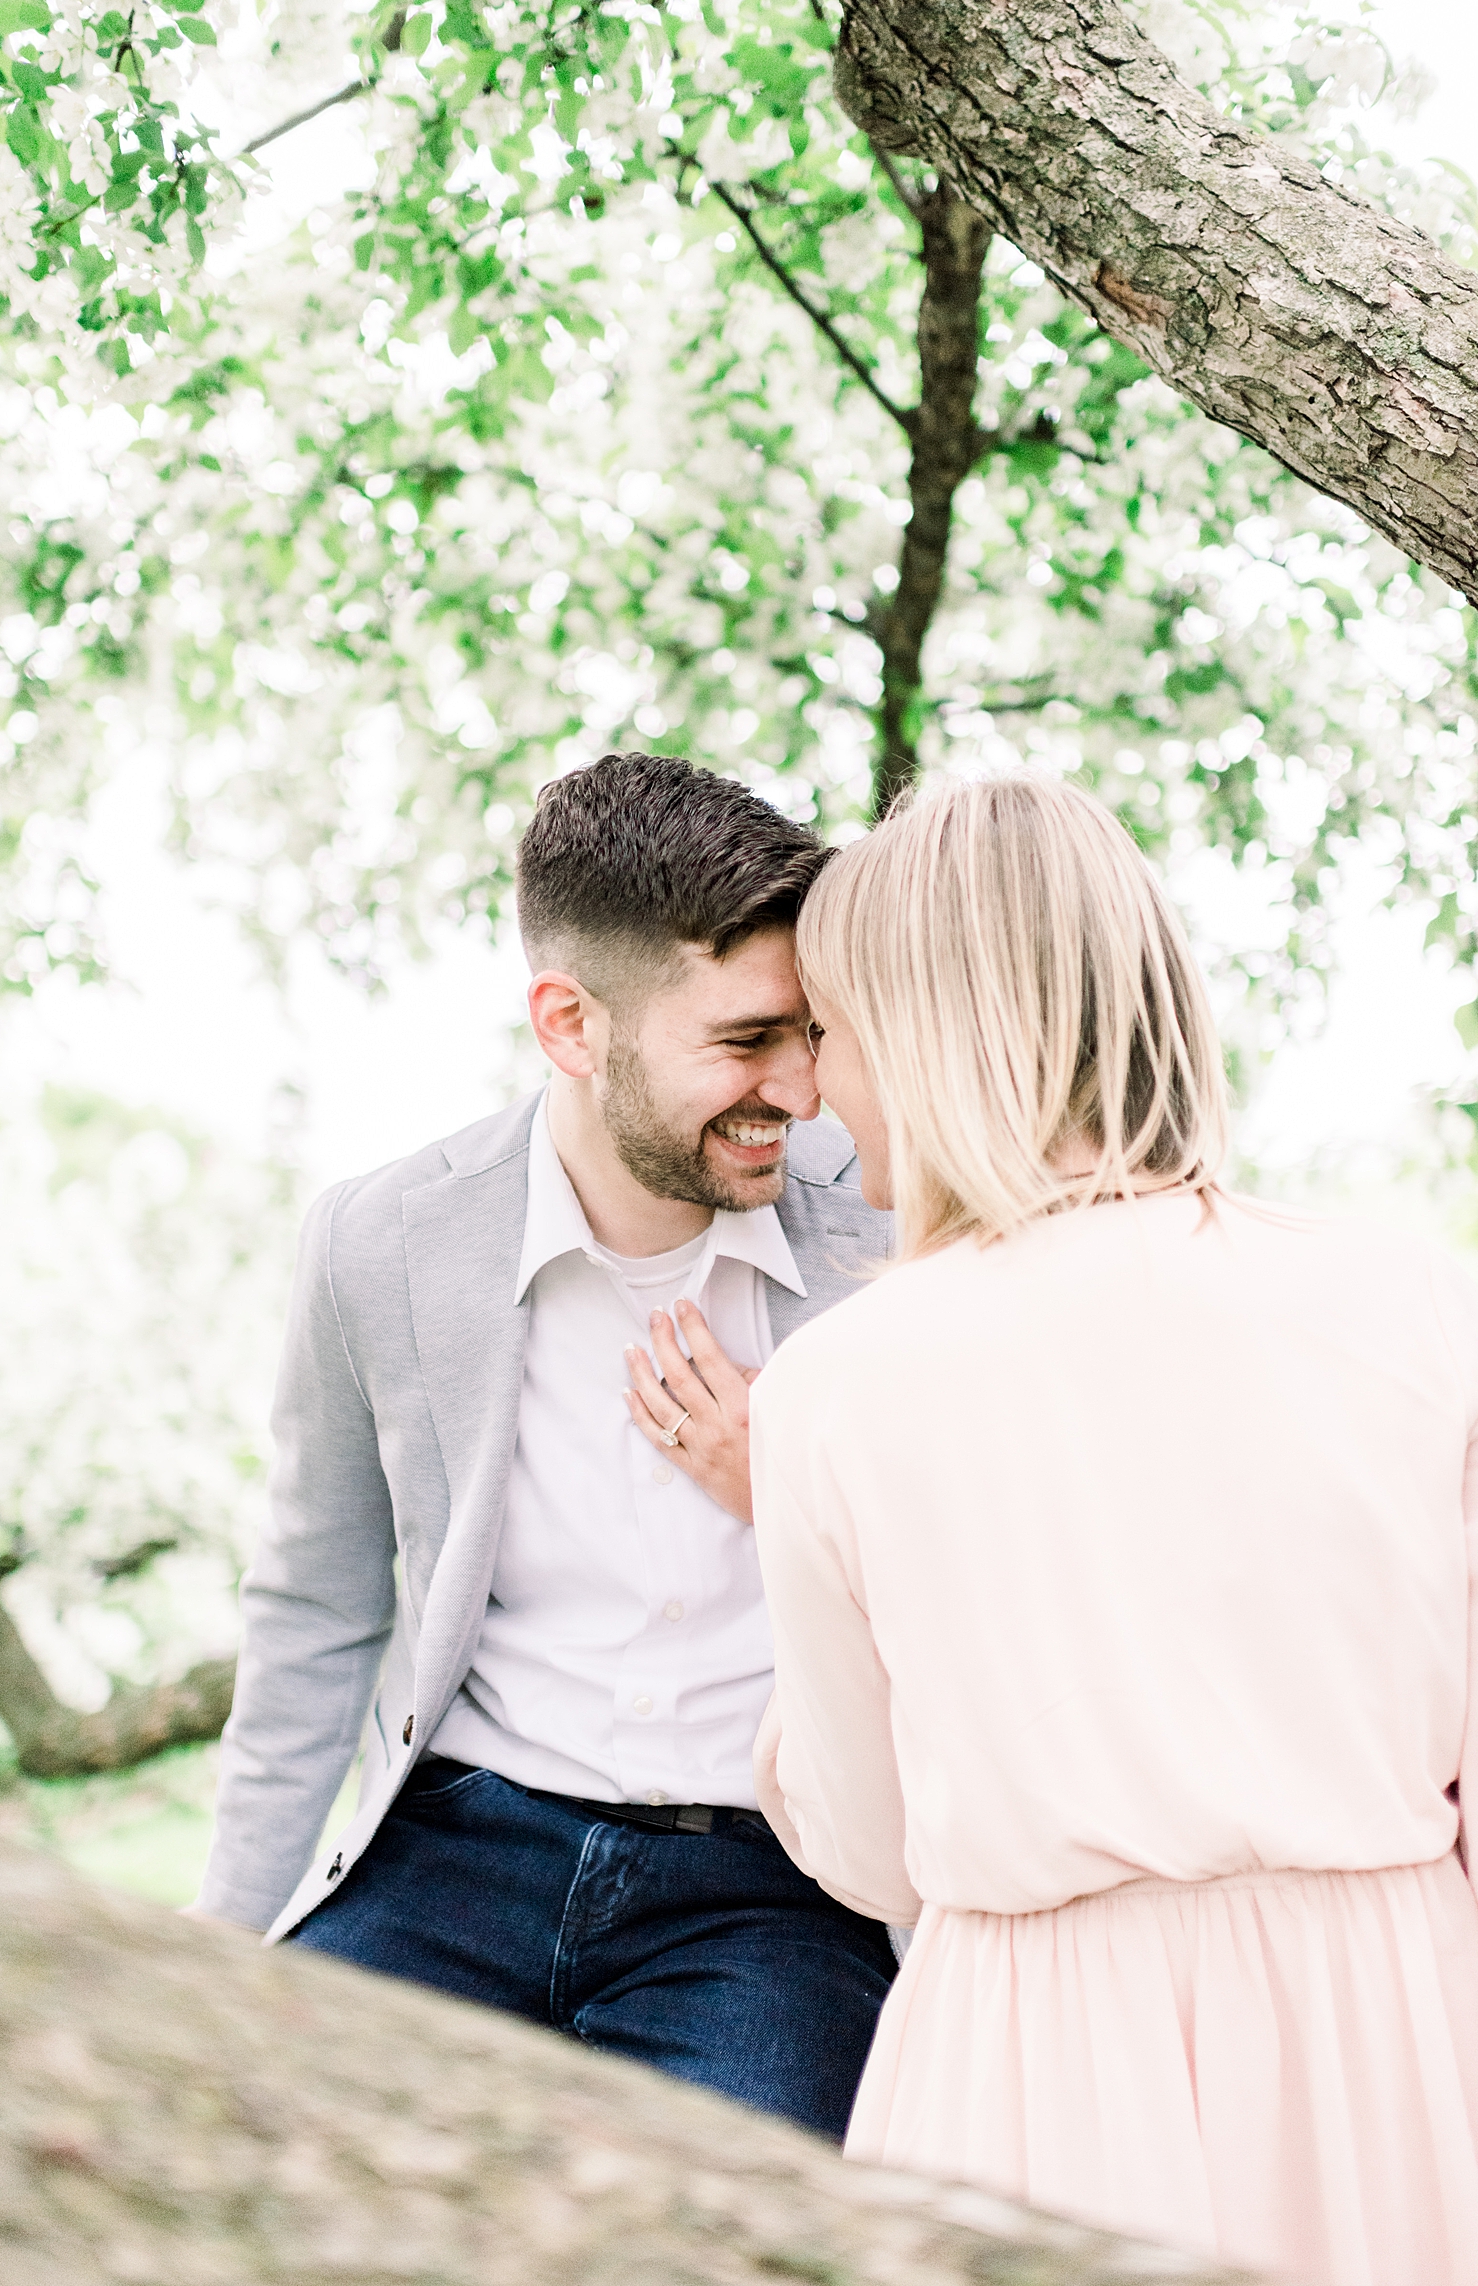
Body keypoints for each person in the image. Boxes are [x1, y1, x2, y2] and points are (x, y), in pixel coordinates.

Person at [748, 773, 1478, 2284]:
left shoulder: (837, 1384)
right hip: (1396, 2043)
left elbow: (873, 1850)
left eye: (828, 1028)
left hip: (1038, 2067)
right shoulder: (1421, 1303)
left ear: (935, 1029)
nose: (813, 1088)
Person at [193, 751, 896, 2135]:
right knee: (257, 2165)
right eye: (749, 1041)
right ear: (570, 1025)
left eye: (811, 1033)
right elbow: (315, 1614)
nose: (805, 1089)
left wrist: (796, 1488)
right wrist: (216, 1942)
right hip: (453, 1849)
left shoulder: (886, 1226)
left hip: (769, 1892)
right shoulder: (382, 1243)